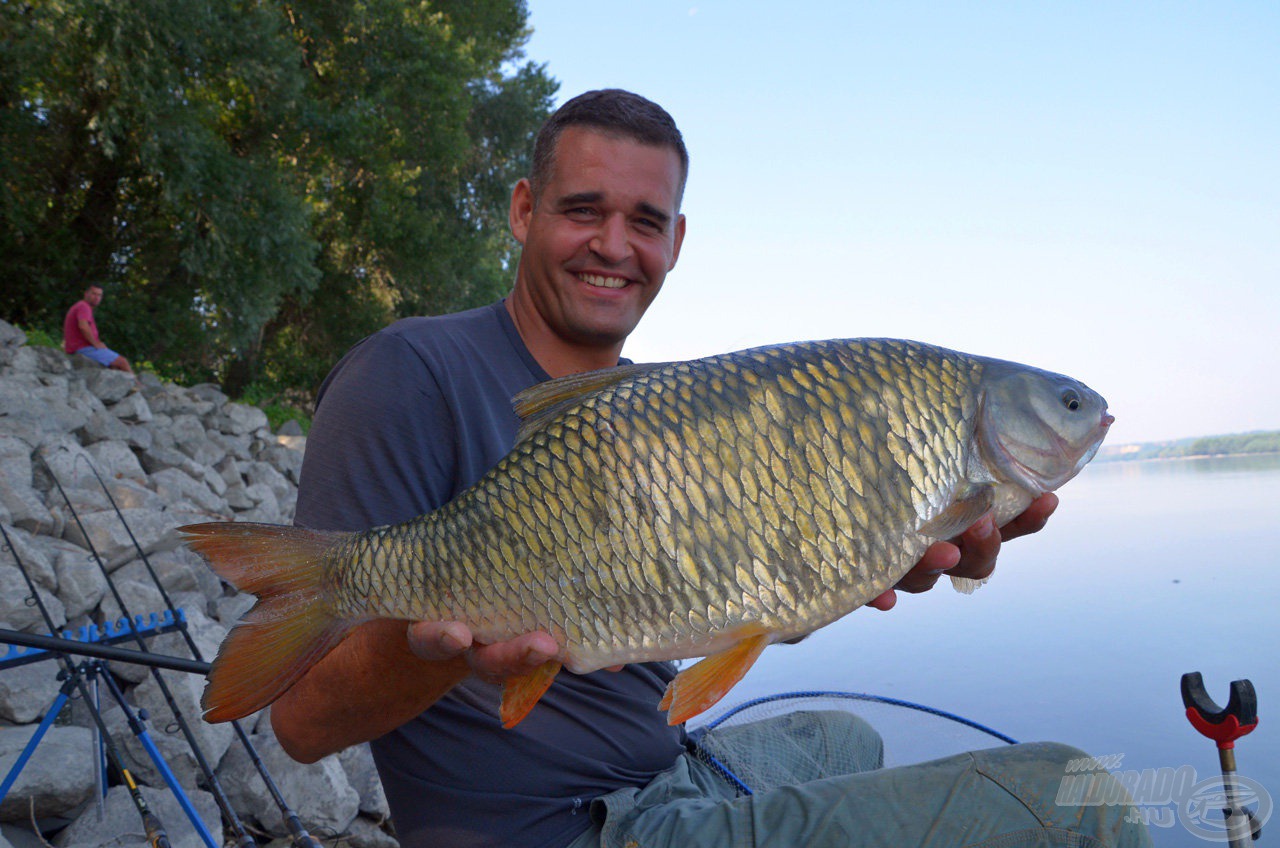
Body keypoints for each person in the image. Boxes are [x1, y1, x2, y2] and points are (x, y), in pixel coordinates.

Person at [276, 90, 1150, 848]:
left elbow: (738, 595)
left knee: (846, 737)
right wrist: (456, 649)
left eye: (646, 222)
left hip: (665, 771)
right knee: (1077, 801)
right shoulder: (409, 373)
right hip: (572, 827)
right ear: (522, 210)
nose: (614, 245)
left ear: (677, 241)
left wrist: (847, 567)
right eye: (584, 210)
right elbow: (304, 723)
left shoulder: (656, 409)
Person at [62, 284, 134, 374]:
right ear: (86, 294)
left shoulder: (81, 306)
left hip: (80, 347)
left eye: (99, 295)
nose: (96, 297)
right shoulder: (83, 306)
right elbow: (83, 327)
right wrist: (96, 344)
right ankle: (137, 386)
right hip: (82, 348)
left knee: (114, 366)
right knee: (123, 362)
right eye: (94, 294)